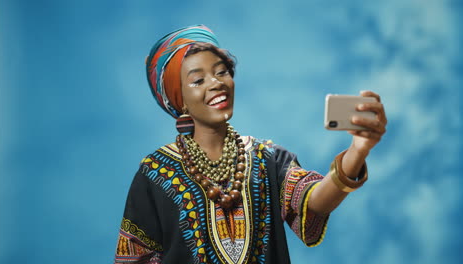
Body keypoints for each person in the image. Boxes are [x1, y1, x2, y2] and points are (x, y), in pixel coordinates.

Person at [114, 25, 387, 264]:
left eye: (222, 72)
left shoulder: (267, 157)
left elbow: (313, 202)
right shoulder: (154, 173)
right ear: (179, 99)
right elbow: (135, 258)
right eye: (198, 80)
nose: (216, 83)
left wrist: (358, 151)